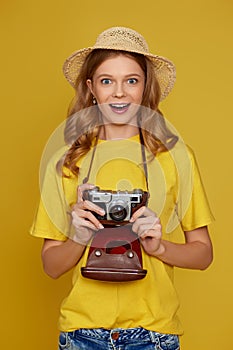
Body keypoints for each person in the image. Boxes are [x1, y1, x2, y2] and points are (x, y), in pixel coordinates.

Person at [30, 27, 214, 350]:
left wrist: (159, 248)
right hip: (82, 333)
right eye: (106, 81)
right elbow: (50, 266)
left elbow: (204, 253)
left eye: (131, 80)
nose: (119, 93)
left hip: (154, 332)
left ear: (145, 87)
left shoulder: (176, 158)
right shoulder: (66, 162)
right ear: (91, 89)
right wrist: (79, 236)